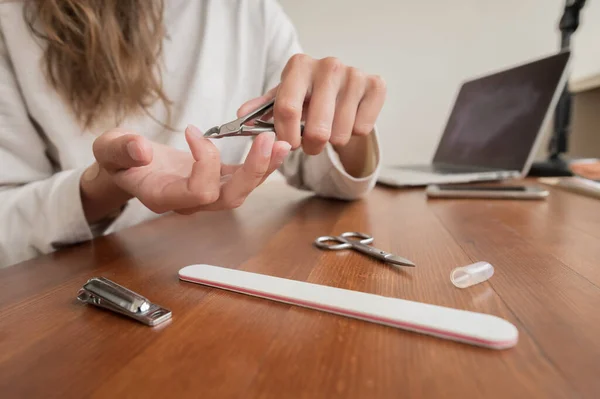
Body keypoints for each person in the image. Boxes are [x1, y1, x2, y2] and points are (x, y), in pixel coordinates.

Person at [0, 0, 386, 268]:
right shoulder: (11, 21)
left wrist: (340, 122)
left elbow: (324, 172)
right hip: (67, 288)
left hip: (214, 277)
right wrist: (103, 187)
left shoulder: (250, 11)